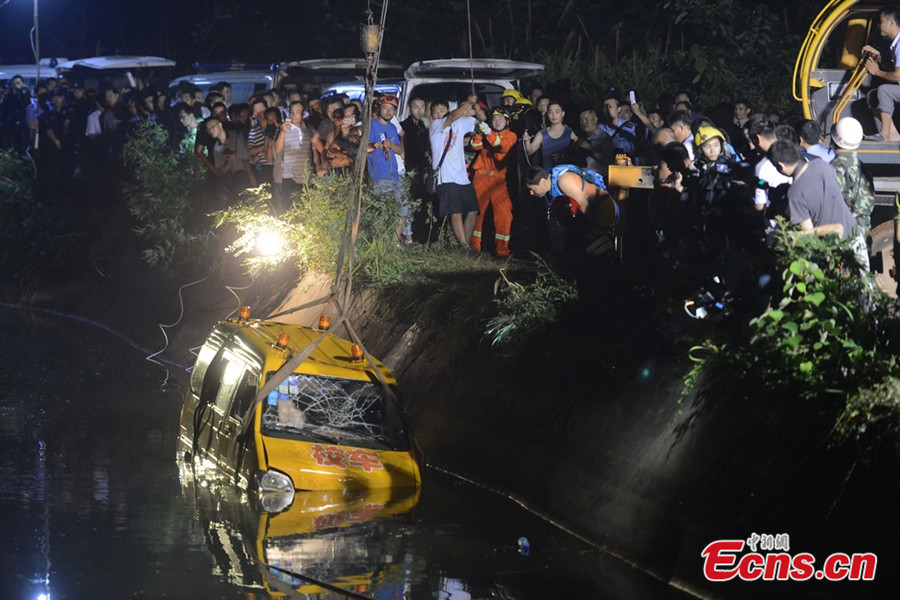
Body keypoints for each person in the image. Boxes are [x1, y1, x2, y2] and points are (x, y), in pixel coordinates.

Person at [768, 140, 868, 268]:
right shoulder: (821, 165)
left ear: (780, 165)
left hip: (836, 250)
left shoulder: (794, 193)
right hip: (855, 237)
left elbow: (808, 235)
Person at [429, 95, 486, 250]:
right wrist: (468, 102)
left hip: (462, 177)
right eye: (435, 112)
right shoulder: (435, 125)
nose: (438, 114)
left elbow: (482, 119)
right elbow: (452, 116)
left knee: (473, 210)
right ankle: (464, 246)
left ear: (447, 110)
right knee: (455, 212)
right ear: (431, 116)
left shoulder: (459, 123)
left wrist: (477, 109)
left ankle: (464, 246)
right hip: (446, 177)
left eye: (442, 110)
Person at [525, 164, 618, 257]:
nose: (531, 193)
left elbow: (585, 207)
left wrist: (591, 235)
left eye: (531, 189)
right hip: (586, 218)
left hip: (603, 211)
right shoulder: (549, 183)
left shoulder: (564, 181)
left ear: (542, 181)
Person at [469, 107, 518, 257]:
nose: (497, 122)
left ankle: (502, 251)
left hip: (499, 180)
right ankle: (474, 248)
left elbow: (501, 147)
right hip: (481, 177)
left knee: (504, 214)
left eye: (500, 119)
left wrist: (488, 132)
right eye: (494, 119)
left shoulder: (511, 136)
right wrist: (479, 133)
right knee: (476, 213)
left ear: (507, 121)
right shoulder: (487, 133)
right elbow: (474, 146)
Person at [367, 94, 412, 247]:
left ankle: (394, 242)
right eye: (385, 108)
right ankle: (382, 245)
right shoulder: (372, 124)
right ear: (379, 108)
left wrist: (391, 145)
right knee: (384, 211)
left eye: (391, 109)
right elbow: (364, 147)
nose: (388, 111)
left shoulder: (392, 128)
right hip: (379, 175)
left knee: (404, 208)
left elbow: (400, 151)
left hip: (395, 176)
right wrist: (374, 145)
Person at [830, 117, 876, 245]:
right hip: (864, 232)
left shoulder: (836, 167)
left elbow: (830, 202)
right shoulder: (863, 167)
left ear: (833, 138)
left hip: (844, 233)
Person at [862, 6, 900, 141]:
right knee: (873, 96)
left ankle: (884, 134)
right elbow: (894, 70)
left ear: (891, 23)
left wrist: (877, 71)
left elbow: (897, 76)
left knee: (885, 90)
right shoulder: (895, 44)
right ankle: (893, 135)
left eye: (881, 21)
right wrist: (879, 57)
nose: (879, 25)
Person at [275, 100, 315, 205]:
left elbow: (315, 151)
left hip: (308, 175)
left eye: (297, 112)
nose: (294, 115)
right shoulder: (283, 129)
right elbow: (278, 149)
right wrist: (283, 132)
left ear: (303, 113)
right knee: (291, 208)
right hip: (290, 176)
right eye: (291, 112)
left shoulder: (309, 129)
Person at [522, 101, 577, 168]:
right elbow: (530, 151)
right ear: (547, 115)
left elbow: (579, 148)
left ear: (563, 114)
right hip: (548, 172)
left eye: (557, 112)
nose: (554, 115)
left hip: (567, 170)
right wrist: (527, 141)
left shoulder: (569, 132)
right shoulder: (541, 134)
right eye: (550, 112)